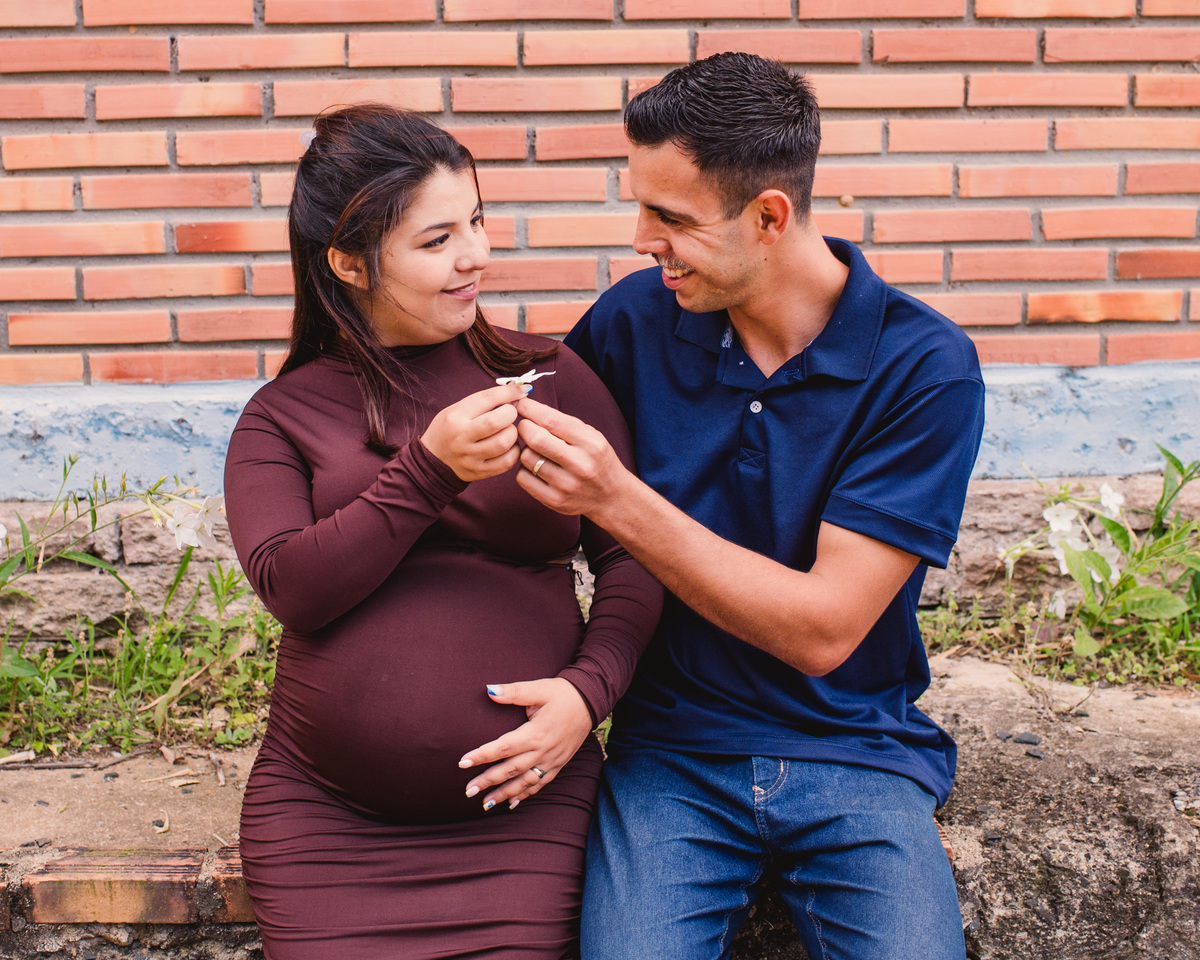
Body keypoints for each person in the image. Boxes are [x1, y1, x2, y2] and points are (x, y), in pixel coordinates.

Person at [511, 53, 986, 960]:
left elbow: (823, 629)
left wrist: (619, 497)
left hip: (857, 754)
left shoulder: (924, 368)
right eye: (641, 207)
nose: (644, 240)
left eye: (672, 218)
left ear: (770, 215)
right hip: (670, 757)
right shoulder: (634, 320)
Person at [222, 104, 661, 960]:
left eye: (477, 221)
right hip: (327, 828)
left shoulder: (550, 377)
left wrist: (587, 693)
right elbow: (293, 589)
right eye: (436, 240)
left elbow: (634, 559)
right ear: (349, 262)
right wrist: (431, 469)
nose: (477, 256)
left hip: (521, 818)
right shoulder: (283, 417)